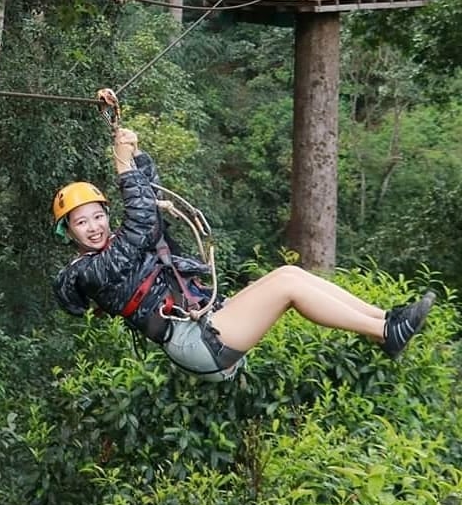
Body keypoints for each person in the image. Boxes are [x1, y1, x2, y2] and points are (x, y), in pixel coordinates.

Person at [52, 128, 435, 383]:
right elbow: (137, 225)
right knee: (287, 286)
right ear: (68, 232)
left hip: (208, 317)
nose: (95, 226)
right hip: (197, 343)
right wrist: (121, 166)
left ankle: (384, 321)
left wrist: (135, 156)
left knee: (290, 273)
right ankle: (386, 333)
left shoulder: (121, 244)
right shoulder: (89, 272)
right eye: (82, 222)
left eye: (98, 215)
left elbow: (148, 210)